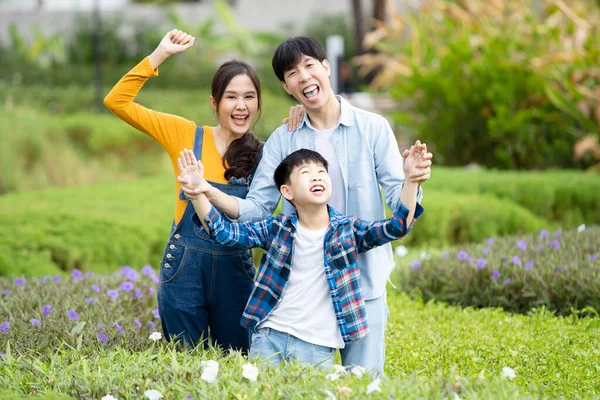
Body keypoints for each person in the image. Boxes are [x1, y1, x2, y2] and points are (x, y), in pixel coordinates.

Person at [180, 36, 433, 375]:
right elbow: (256, 208)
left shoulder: (372, 128)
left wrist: (411, 180)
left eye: (309, 66)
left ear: (326, 68)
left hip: (363, 284)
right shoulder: (285, 138)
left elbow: (398, 212)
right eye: (292, 73)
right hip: (302, 293)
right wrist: (204, 191)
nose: (303, 77)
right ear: (286, 86)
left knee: (363, 384)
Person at [103, 29, 301, 352]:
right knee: (184, 368)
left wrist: (301, 116)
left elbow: (309, 166)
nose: (241, 106)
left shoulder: (267, 154)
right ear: (214, 102)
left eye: (250, 97)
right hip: (184, 273)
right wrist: (160, 55)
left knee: (238, 366)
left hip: (236, 276)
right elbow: (116, 101)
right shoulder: (184, 135)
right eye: (231, 97)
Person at [177, 146, 425, 368]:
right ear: (287, 191)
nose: (316, 176)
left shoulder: (349, 230)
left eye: (321, 172)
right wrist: (198, 193)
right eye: (305, 173)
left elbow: (397, 227)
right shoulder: (277, 229)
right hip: (270, 337)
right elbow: (225, 233)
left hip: (318, 347)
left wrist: (411, 181)